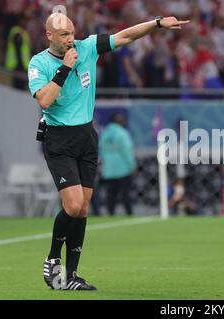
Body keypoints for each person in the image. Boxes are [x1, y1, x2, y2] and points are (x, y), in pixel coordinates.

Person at [28, 12, 189, 291]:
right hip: (59, 139)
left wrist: (157, 23)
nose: (70, 39)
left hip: (86, 137)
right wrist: (64, 69)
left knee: (83, 209)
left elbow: (125, 36)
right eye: (64, 35)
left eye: (72, 32)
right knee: (73, 205)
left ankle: (72, 276)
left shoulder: (87, 47)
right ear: (49, 36)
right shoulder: (39, 63)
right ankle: (53, 259)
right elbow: (44, 99)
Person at [99, 113, 136, 216]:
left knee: (111, 194)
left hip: (109, 169)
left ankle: (110, 213)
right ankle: (129, 213)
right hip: (123, 168)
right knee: (125, 193)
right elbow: (127, 151)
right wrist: (132, 166)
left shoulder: (105, 133)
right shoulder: (123, 133)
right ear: (119, 121)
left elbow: (100, 150)